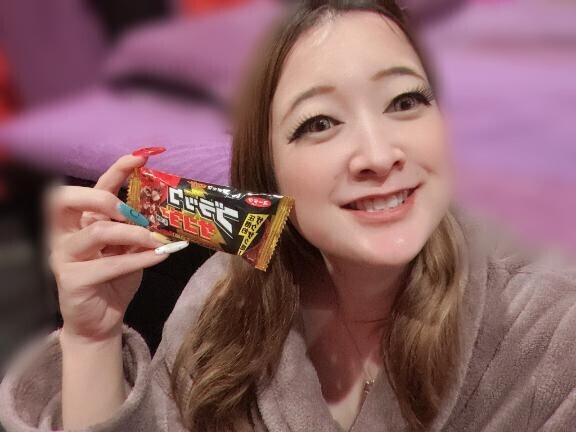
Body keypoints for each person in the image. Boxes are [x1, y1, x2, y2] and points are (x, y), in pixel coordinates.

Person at [2, 1, 576, 431]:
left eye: (405, 101)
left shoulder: (551, 338)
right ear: (268, 173)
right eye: (319, 123)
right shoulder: (219, 310)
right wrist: (93, 338)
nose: (379, 156)